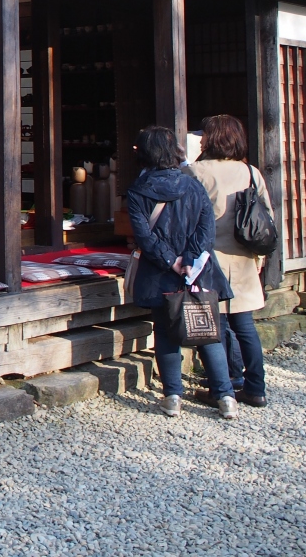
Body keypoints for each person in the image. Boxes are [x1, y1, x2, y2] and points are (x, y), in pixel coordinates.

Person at [126, 125, 238, 420]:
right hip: (198, 270)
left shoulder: (138, 190)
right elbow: (206, 228)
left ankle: (173, 397)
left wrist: (171, 260)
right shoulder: (193, 185)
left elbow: (144, 236)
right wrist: (189, 259)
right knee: (208, 332)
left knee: (165, 332)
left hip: (160, 272)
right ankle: (226, 397)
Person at [183, 115, 271, 407]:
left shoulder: (196, 171)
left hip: (209, 259)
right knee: (245, 326)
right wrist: (260, 256)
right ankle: (256, 388)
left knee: (215, 327)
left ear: (212, 139)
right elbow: (266, 218)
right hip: (244, 257)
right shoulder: (251, 172)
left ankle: (222, 389)